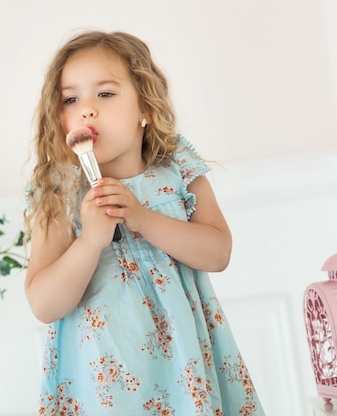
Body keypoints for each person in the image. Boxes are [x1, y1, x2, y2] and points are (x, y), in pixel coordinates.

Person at [23, 30, 265, 415]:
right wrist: (90, 241)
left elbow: (218, 253)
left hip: (189, 373)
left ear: (145, 108)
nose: (87, 109)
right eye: (71, 99)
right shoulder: (60, 194)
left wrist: (142, 218)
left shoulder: (177, 170)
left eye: (105, 93)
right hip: (104, 385)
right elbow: (44, 304)